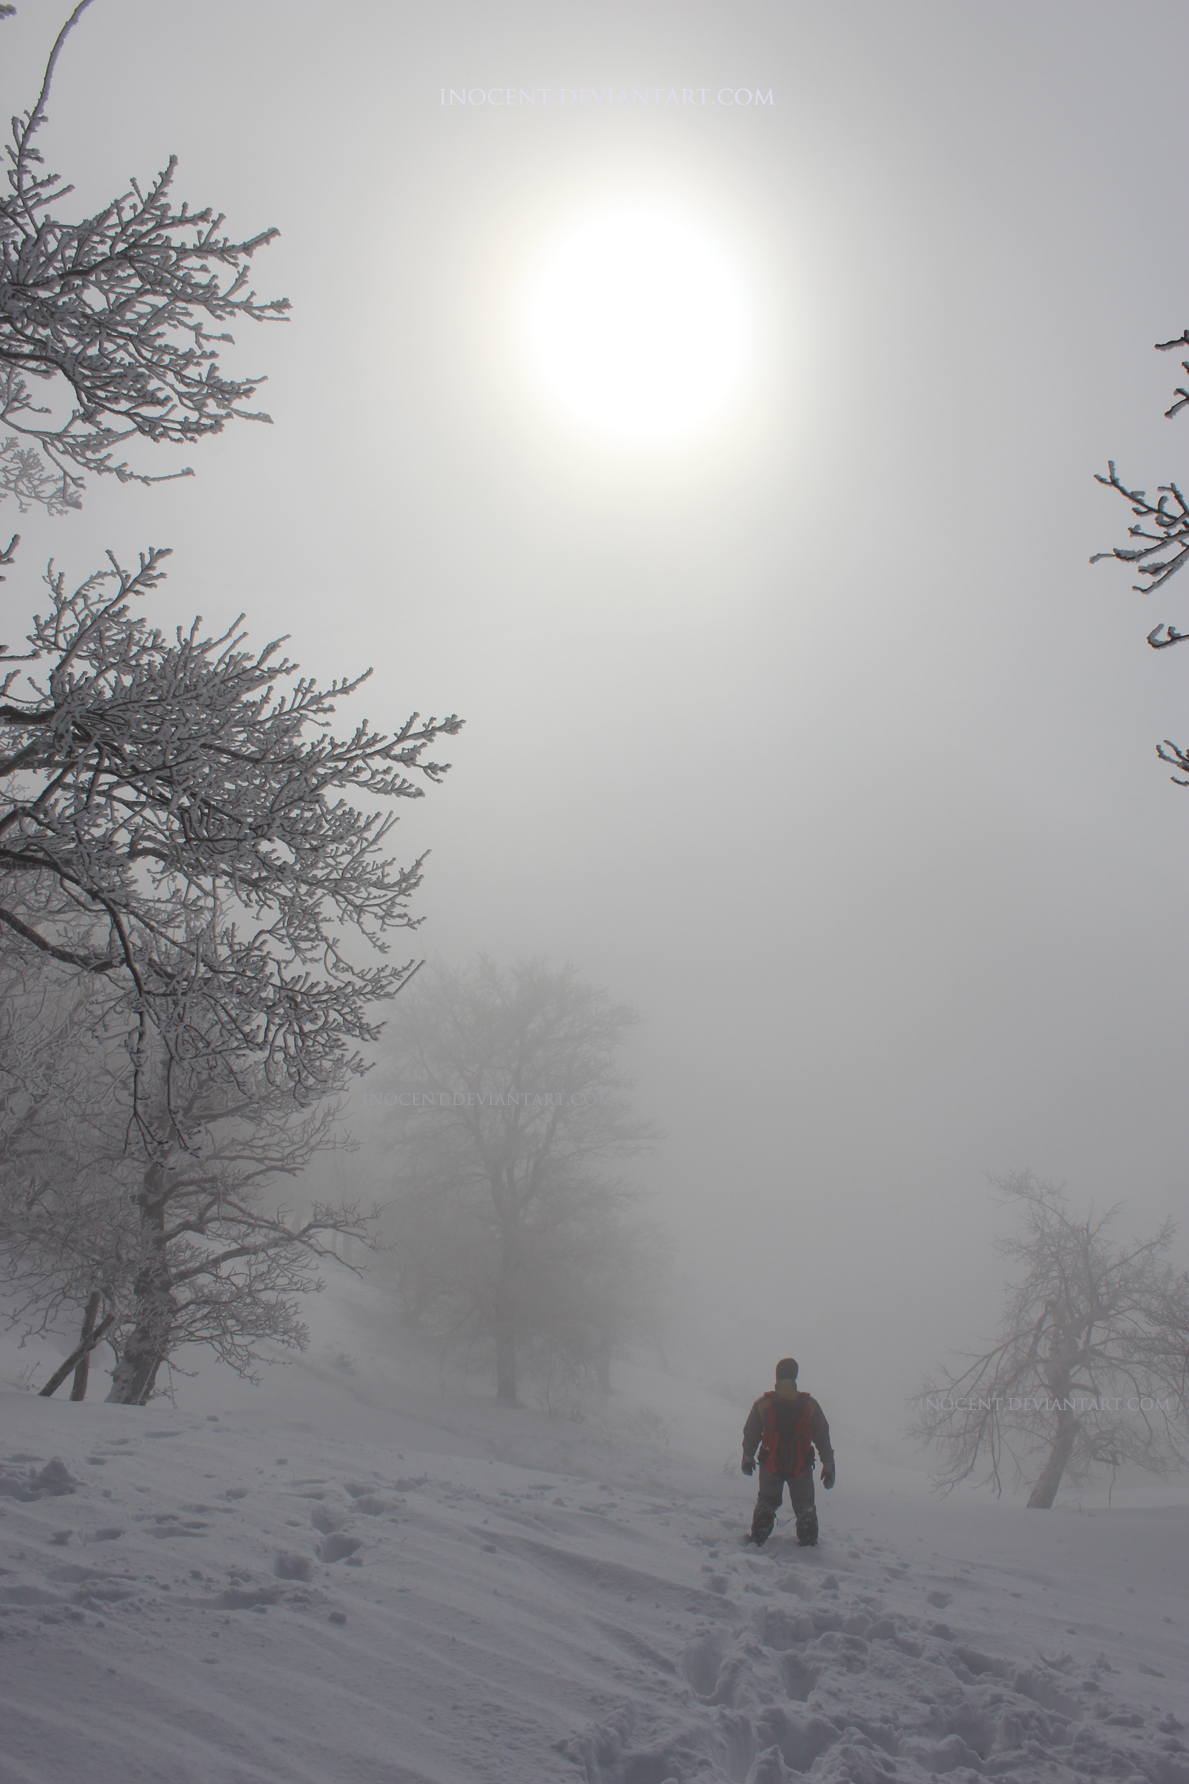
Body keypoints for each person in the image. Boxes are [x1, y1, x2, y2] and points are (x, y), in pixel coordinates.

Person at [741, 1356, 835, 1547]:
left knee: (766, 1503)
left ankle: (757, 1541)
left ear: (777, 1377)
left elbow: (751, 1432)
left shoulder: (764, 1403)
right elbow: (822, 1435)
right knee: (805, 1508)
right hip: (801, 1467)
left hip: (770, 1465)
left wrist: (747, 1456)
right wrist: (828, 1464)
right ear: (795, 1377)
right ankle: (808, 1547)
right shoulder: (809, 1405)